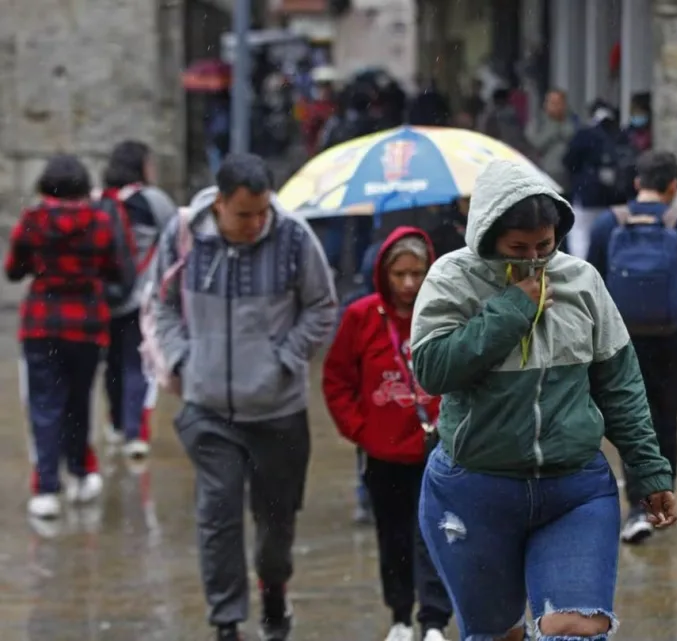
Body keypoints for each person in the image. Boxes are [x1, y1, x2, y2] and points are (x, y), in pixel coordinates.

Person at [410, 159, 677, 641]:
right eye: (518, 248)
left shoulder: (583, 282)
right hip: (474, 492)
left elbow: (620, 387)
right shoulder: (450, 279)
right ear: (487, 236)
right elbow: (432, 371)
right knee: (497, 635)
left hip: (573, 491)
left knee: (575, 629)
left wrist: (649, 470)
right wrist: (511, 309)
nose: (534, 259)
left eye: (545, 246)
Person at [150, 154, 337, 641]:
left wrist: (284, 357)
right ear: (219, 204)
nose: (255, 224)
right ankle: (226, 620)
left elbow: (321, 306)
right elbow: (162, 305)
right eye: (243, 214)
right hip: (207, 410)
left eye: (262, 213)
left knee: (276, 522)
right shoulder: (184, 236)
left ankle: (274, 587)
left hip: (278, 412)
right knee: (218, 515)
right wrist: (183, 359)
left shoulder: (295, 238)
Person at [323, 227, 452, 641]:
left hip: (435, 450)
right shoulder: (362, 317)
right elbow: (337, 380)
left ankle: (433, 619)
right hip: (383, 453)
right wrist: (360, 430)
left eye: (417, 273)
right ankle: (399, 615)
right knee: (391, 534)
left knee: (435, 534)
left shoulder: (444, 313)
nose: (409, 284)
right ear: (384, 273)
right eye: (400, 274)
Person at [586, 150, 677, 544]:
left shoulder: (609, 223)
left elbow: (592, 278)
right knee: (666, 418)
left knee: (628, 420)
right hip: (671, 339)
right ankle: (661, 500)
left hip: (620, 340)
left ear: (637, 183)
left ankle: (637, 508)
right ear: (673, 185)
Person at [7, 155, 135, 519]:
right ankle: (80, 473)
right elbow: (116, 269)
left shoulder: (33, 221)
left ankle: (47, 488)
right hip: (88, 324)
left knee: (44, 405)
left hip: (41, 323)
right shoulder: (100, 220)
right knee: (79, 401)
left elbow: (14, 270)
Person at [99, 140, 179, 459]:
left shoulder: (100, 201)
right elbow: (176, 236)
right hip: (141, 298)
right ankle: (136, 433)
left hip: (105, 298)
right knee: (137, 363)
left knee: (112, 364)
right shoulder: (153, 200)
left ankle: (116, 425)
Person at [562, 100, 635, 258]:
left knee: (581, 234)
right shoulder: (621, 135)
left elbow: (569, 161)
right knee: (610, 235)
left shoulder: (585, 134)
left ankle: (581, 271)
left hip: (587, 196)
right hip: (617, 198)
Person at [526, 88, 577, 196]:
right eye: (552, 103)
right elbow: (535, 144)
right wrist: (554, 130)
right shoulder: (539, 123)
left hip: (569, 175)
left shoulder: (572, 122)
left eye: (558, 103)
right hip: (546, 173)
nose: (555, 106)